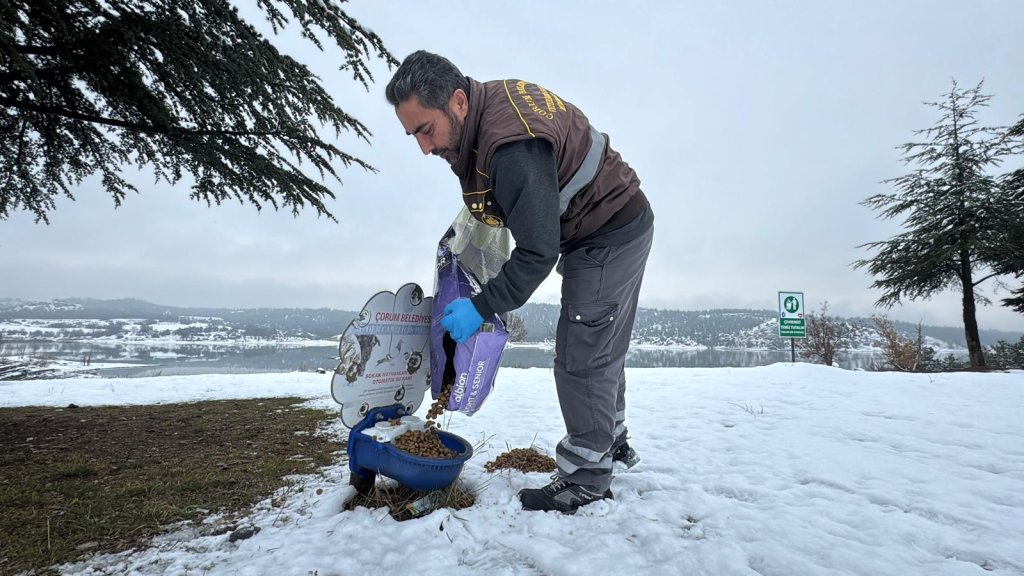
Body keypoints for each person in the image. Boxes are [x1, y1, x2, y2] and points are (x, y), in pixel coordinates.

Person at [385, 51, 654, 514]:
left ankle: (587, 476)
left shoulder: (511, 147)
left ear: (458, 102)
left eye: (426, 130)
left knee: (581, 357)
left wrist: (481, 306)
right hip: (615, 220)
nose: (423, 148)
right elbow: (502, 205)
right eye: (413, 135)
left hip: (606, 232)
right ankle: (612, 441)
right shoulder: (484, 112)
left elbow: (536, 252)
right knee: (601, 340)